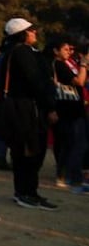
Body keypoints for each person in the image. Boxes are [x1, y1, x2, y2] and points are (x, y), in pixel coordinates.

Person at [0, 18, 58, 210]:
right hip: (25, 108)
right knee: (29, 151)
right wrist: (50, 107)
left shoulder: (11, 52)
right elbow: (36, 82)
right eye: (31, 30)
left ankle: (28, 191)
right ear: (22, 34)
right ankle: (26, 192)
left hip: (20, 107)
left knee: (25, 151)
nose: (34, 33)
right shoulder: (21, 53)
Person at [43, 37, 86, 193]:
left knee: (72, 143)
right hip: (67, 109)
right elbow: (79, 82)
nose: (70, 52)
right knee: (71, 144)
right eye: (66, 49)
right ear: (56, 51)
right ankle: (67, 176)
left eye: (72, 49)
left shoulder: (67, 64)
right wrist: (84, 64)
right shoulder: (59, 65)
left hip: (73, 108)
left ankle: (70, 175)